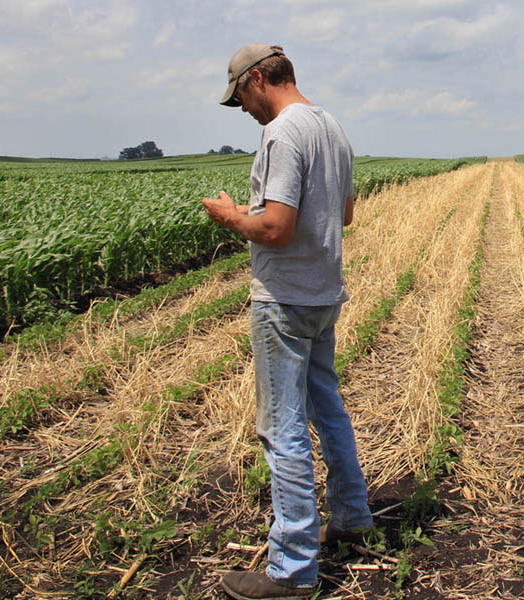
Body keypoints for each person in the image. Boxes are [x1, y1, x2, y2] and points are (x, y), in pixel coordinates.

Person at [202, 43, 372, 600]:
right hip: (324, 294)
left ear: (257, 80)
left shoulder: (281, 134)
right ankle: (351, 516)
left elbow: (275, 227)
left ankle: (294, 570)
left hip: (285, 300)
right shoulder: (333, 127)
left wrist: (232, 217)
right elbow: (344, 214)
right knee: (328, 408)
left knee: (283, 430)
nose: (244, 110)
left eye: (241, 98)